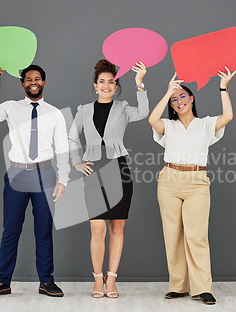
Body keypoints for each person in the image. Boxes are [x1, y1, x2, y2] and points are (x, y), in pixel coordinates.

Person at [0, 65, 70, 298]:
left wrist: (63, 180)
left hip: (46, 174)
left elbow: (62, 150)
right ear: (22, 84)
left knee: (44, 231)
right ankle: (3, 282)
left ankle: (46, 282)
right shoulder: (11, 107)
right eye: (28, 79)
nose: (33, 82)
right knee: (10, 230)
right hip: (17, 174)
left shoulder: (55, 113)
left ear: (44, 82)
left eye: (37, 78)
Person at [148, 68, 236, 305]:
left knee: (196, 236)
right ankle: (178, 286)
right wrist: (168, 92)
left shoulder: (206, 125)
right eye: (175, 100)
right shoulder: (168, 125)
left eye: (183, 96)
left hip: (197, 181)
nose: (179, 101)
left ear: (192, 98)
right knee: (172, 236)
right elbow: (152, 120)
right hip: (169, 179)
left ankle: (202, 288)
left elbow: (227, 116)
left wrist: (223, 86)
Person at [68, 59, 148, 298]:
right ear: (95, 86)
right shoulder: (83, 110)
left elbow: (143, 112)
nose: (106, 85)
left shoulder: (123, 108)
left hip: (118, 169)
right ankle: (97, 279)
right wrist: (76, 162)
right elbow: (72, 138)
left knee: (117, 227)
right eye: (101, 82)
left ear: (116, 86)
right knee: (97, 228)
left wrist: (140, 84)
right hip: (93, 170)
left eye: (110, 82)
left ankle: (111, 279)